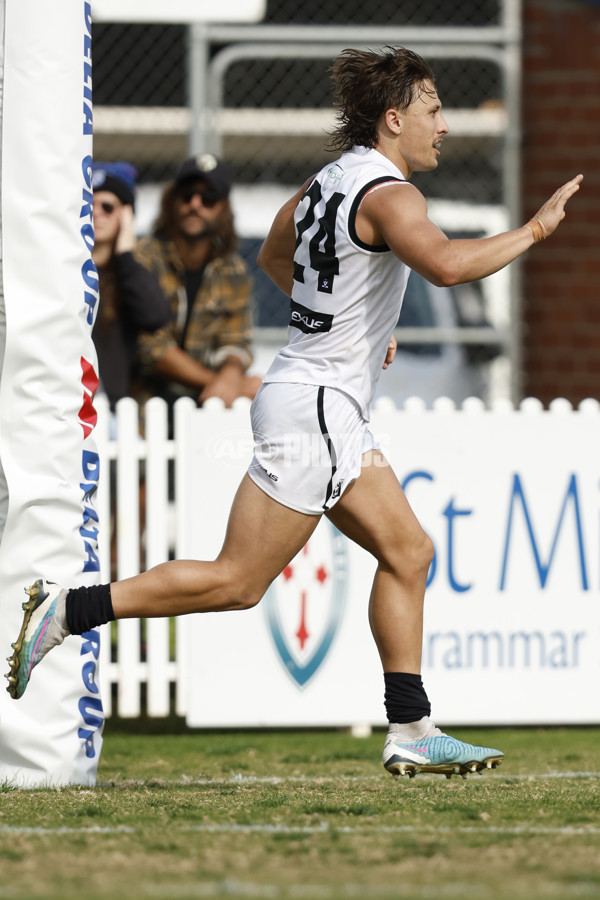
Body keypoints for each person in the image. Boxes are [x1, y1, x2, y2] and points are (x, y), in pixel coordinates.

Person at [5, 47, 582, 779]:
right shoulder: (393, 196)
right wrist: (533, 232)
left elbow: (278, 254)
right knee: (237, 582)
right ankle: (70, 609)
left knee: (408, 552)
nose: (445, 125)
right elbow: (446, 265)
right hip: (318, 411)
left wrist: (359, 318)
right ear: (395, 118)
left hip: (311, 401)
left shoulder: (329, 180)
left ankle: (411, 726)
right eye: (434, 110)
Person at [134, 154, 261, 411]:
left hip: (203, 408)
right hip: (142, 404)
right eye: (186, 195)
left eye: (208, 199)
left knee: (263, 392)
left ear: (223, 208)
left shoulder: (233, 269)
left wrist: (232, 371)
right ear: (172, 200)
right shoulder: (144, 258)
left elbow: (236, 341)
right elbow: (150, 348)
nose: (195, 204)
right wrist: (221, 384)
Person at [90, 161, 171, 413]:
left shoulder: (129, 273)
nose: (96, 213)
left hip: (112, 412)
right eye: (88, 205)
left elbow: (156, 316)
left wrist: (125, 254)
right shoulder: (62, 268)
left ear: (126, 214)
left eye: (107, 207)